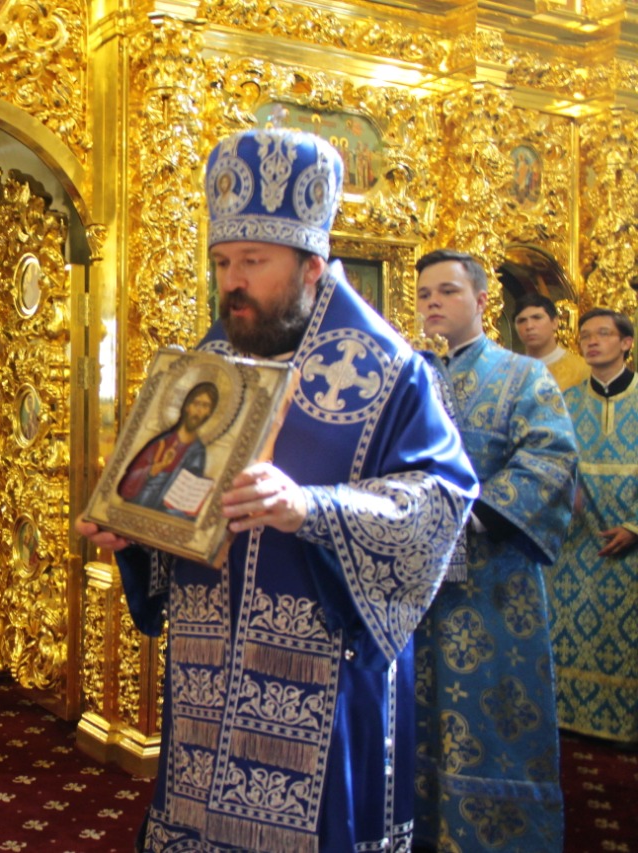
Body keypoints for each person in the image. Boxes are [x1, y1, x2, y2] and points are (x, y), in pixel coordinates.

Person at [77, 129, 478, 852]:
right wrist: (137, 530)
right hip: (207, 669)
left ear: (313, 265)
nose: (232, 279)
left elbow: (442, 504)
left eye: (254, 262)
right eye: (225, 261)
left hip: (323, 676)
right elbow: (173, 500)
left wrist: (314, 508)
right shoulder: (205, 366)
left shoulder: (392, 373)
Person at [413, 249, 577, 852]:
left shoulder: (522, 376)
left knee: (493, 719)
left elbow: (551, 458)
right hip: (416, 584)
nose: (434, 302)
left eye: (448, 291)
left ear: (482, 301)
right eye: (426, 292)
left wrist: (475, 514)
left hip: (493, 583)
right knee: (415, 717)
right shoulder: (409, 377)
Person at [547, 307, 638, 746]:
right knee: (572, 629)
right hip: (578, 542)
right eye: (585, 335)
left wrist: (635, 527)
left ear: (626, 343)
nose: (592, 341)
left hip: (632, 542)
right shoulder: (565, 401)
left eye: (603, 334)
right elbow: (552, 464)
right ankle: (570, 718)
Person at [117, 381, 215, 515]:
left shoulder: (199, 451)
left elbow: (189, 495)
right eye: (196, 403)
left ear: (209, 412)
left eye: (205, 406)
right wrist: (156, 469)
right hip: (140, 506)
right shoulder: (162, 442)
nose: (199, 410)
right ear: (187, 406)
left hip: (170, 515)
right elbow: (131, 480)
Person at [512, 290, 589, 390]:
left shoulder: (582, 370)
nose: (529, 326)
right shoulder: (508, 372)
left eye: (537, 318)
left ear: (554, 322)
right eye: (522, 321)